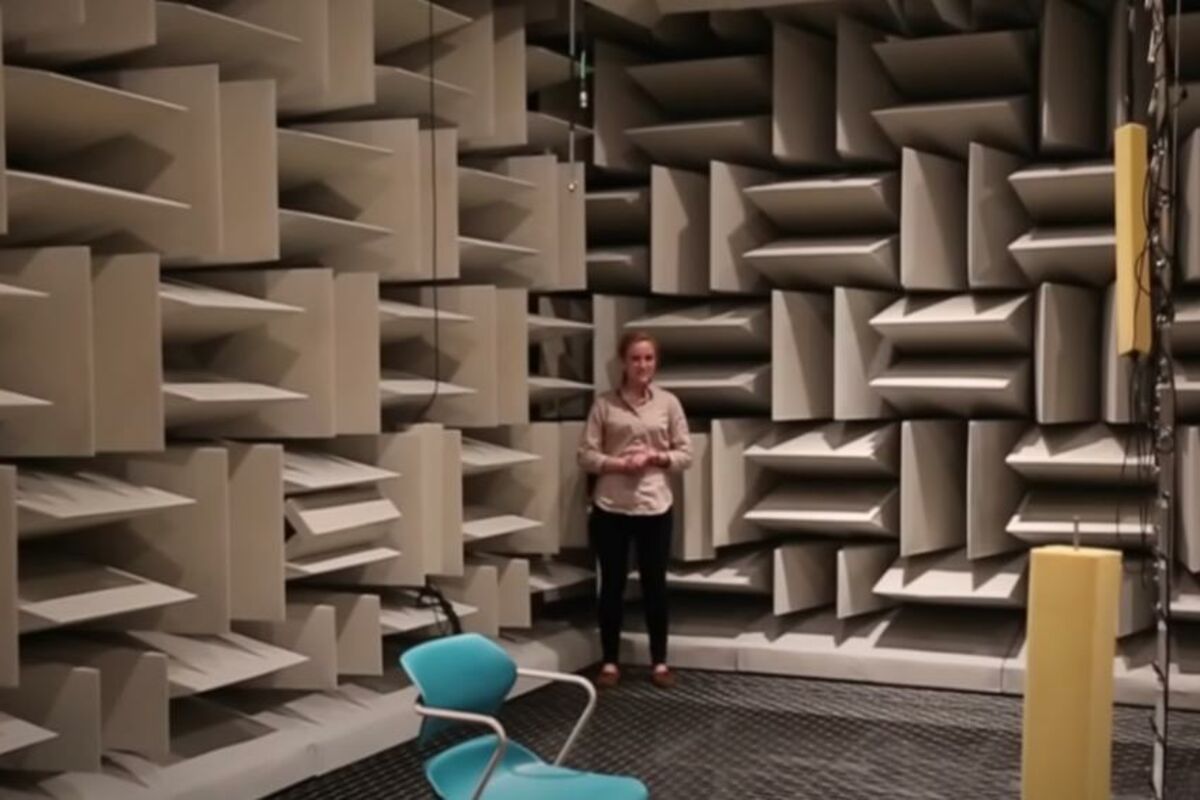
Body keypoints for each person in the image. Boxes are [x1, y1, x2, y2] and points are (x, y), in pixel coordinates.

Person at [577, 330, 692, 690]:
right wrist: (618, 464)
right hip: (611, 507)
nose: (642, 365)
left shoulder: (669, 404)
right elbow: (585, 455)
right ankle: (610, 661)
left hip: (655, 506)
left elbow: (686, 454)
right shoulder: (604, 405)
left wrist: (656, 457)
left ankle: (660, 662)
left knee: (655, 586)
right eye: (635, 358)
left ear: (655, 363)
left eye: (648, 358)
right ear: (623, 363)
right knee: (611, 586)